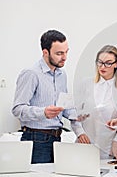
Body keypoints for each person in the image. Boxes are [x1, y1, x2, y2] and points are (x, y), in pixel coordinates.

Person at [12, 29, 85, 164]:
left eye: (66, 52)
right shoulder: (31, 74)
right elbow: (17, 109)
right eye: (59, 53)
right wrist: (43, 112)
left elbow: (65, 107)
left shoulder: (61, 74)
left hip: (57, 138)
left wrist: (79, 129)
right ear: (45, 52)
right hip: (36, 139)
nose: (64, 57)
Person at [71, 45, 117, 160]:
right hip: (84, 145)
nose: (102, 67)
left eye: (108, 63)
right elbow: (74, 114)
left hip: (108, 148)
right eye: (100, 62)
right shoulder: (86, 84)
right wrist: (80, 133)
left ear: (116, 64)